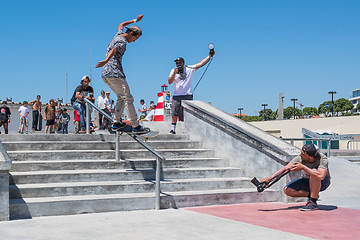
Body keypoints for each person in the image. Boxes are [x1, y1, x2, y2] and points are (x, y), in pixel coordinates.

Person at [95, 14, 148, 134]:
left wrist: (135, 20)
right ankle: (135, 125)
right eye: (135, 39)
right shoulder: (122, 41)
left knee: (121, 97)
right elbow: (115, 49)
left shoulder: (118, 34)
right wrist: (106, 60)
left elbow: (121, 24)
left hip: (106, 75)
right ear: (131, 34)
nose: (133, 42)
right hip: (115, 73)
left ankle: (116, 122)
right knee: (128, 98)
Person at [261, 144, 331, 211]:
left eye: (303, 154)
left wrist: (303, 167)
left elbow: (321, 176)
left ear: (311, 157)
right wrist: (269, 179)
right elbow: (285, 169)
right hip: (307, 181)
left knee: (314, 172)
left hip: (323, 182)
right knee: (287, 190)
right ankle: (312, 195)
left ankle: (313, 202)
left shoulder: (322, 159)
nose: (300, 155)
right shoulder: (299, 158)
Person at [168, 51, 215, 134]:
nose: (178, 64)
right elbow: (169, 81)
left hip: (187, 95)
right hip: (177, 95)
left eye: (180, 63)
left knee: (187, 115)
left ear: (183, 63)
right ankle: (173, 129)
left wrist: (209, 56)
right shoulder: (173, 70)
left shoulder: (189, 69)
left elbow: (200, 64)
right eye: (177, 63)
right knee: (174, 113)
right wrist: (174, 74)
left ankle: (188, 130)